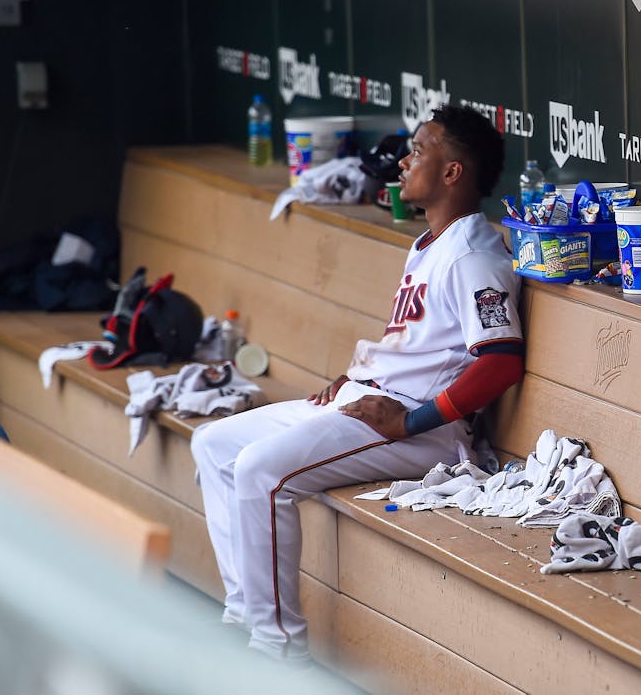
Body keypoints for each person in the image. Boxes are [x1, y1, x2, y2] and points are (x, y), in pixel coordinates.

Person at [190, 105, 525, 662]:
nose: (403, 160)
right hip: (370, 402)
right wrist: (358, 377)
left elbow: (501, 362)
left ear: (451, 173)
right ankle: (245, 614)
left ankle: (275, 649)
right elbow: (424, 344)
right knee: (212, 444)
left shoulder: (472, 254)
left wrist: (410, 421)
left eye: (420, 151)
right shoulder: (431, 243)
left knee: (259, 470)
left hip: (419, 425)